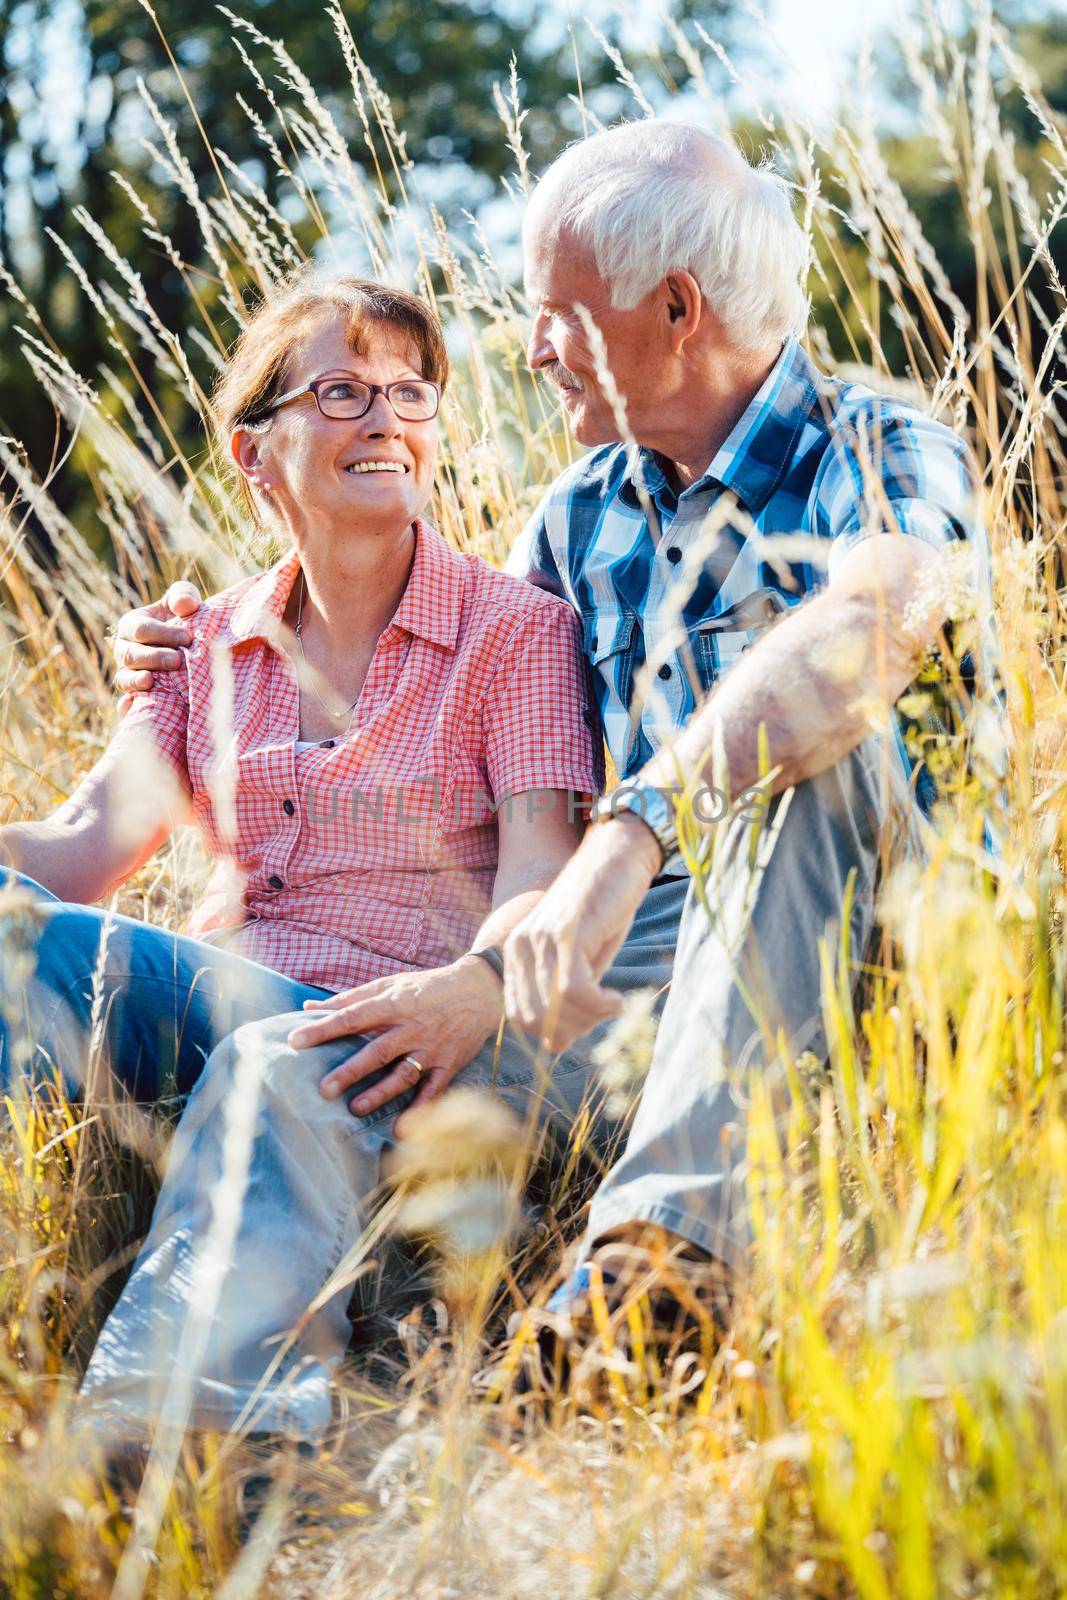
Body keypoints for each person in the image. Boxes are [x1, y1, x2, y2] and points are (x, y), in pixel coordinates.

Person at [113, 121, 996, 1404]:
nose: (526, 350)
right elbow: (458, 697)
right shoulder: (580, 511)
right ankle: (184, 1438)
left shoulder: (879, 441)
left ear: (674, 310)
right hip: (622, 968)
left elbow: (873, 619)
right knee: (294, 1062)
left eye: (553, 315)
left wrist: (633, 828)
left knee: (806, 765)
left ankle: (654, 1275)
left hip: (869, 942)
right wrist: (200, 638)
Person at [1, 271, 611, 1439]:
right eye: (341, 390)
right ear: (253, 450)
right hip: (212, 1005)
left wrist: (469, 989)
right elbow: (82, 850)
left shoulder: (518, 630)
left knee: (274, 1053)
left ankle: (166, 1440)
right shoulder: (204, 643)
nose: (386, 417)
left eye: (410, 392)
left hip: (392, 1031)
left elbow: (539, 864)